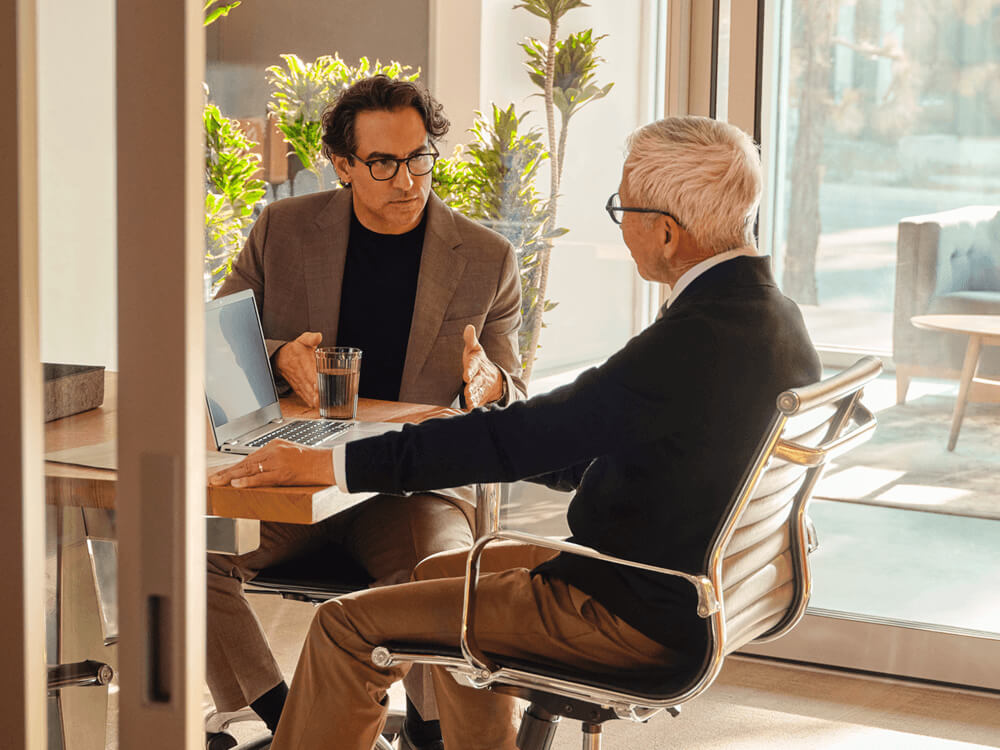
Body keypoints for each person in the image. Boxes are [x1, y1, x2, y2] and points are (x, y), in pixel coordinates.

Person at [210, 115, 822, 750]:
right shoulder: (776, 320)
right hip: (670, 590)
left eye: (623, 210)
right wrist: (498, 438)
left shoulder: (690, 340)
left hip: (618, 606)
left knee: (344, 625)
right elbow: (579, 440)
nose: (623, 229)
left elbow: (525, 435)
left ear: (666, 232)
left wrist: (331, 465)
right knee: (435, 578)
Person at [208, 75, 527, 749]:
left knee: (447, 575)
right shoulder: (283, 230)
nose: (407, 180)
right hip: (298, 472)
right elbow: (213, 340)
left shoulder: (488, 259)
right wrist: (275, 355)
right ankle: (278, 719)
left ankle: (433, 736)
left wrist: (490, 383)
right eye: (383, 164)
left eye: (419, 159)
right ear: (344, 165)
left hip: (410, 489)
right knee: (184, 555)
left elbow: (514, 395)